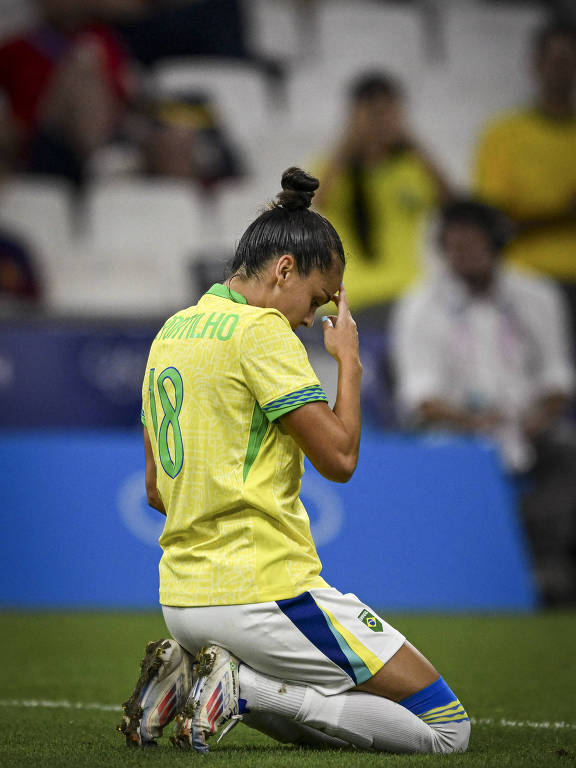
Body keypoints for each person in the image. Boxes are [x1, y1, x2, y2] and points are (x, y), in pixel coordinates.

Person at [117, 168, 470, 754]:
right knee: (446, 728)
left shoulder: (172, 332)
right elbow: (339, 457)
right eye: (316, 299)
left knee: (315, 699)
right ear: (284, 269)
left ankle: (190, 680)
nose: (312, 318)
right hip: (263, 591)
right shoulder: (261, 331)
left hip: (180, 602)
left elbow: (156, 490)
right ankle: (241, 692)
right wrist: (348, 366)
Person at [392, 199, 576, 605]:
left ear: (497, 243)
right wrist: (475, 424)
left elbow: (557, 376)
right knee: (440, 458)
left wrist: (536, 418)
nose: (463, 256)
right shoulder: (421, 305)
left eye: (473, 245)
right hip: (455, 431)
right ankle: (462, 576)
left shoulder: (536, 295)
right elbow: (420, 396)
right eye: (454, 247)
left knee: (566, 452)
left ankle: (549, 567)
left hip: (531, 425)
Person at [314, 71, 453, 329]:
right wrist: (349, 142)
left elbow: (452, 204)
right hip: (352, 298)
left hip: (408, 294)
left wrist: (413, 143)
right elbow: (318, 200)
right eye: (371, 113)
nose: (380, 122)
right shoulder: (332, 169)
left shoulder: (411, 169)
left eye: (388, 112)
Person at [475, 20, 576, 343]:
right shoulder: (504, 135)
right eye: (557, 61)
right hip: (529, 281)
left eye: (571, 61)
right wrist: (562, 213)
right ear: (536, 65)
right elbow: (493, 224)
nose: (564, 70)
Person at [0, 0, 132, 186]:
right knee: (82, 62)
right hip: (39, 147)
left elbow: (122, 101)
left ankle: (99, 164)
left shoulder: (104, 42)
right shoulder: (17, 48)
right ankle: (99, 164)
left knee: (85, 58)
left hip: (100, 142)